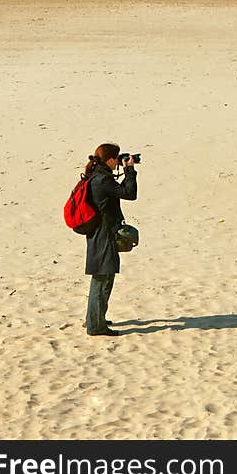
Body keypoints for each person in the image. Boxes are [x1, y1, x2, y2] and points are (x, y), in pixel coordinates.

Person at [82, 143, 137, 336]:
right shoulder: (102, 180)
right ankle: (95, 325)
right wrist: (130, 171)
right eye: (117, 158)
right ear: (111, 159)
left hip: (99, 233)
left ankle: (95, 318)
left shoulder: (98, 176)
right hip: (103, 235)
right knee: (102, 278)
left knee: (104, 276)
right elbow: (130, 194)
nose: (119, 161)